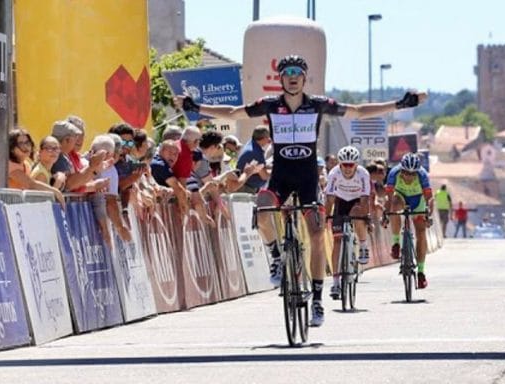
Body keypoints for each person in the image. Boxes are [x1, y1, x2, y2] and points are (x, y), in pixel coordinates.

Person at [174, 54, 426, 327]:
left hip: (307, 178)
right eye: (287, 72)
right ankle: (275, 256)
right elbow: (234, 113)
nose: (292, 76)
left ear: (304, 77)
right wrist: (196, 106)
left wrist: (400, 104)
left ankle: (317, 300)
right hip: (281, 176)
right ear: (281, 78)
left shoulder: (318, 105)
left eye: (297, 72)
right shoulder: (270, 105)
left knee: (318, 235)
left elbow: (357, 110)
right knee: (262, 210)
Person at [324, 146, 372, 300]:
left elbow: (365, 199)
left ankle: (363, 245)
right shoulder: (334, 173)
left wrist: (365, 218)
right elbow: (330, 198)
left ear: (356, 165)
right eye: (344, 164)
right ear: (339, 164)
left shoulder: (363, 174)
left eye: (351, 165)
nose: (347, 168)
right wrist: (326, 217)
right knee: (337, 241)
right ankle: (336, 282)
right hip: (340, 201)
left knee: (358, 215)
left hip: (357, 201)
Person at [383, 152, 433, 289]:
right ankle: (396, 243)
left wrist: (429, 215)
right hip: (401, 196)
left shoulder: (422, 175)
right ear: (402, 170)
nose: (409, 176)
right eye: (406, 173)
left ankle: (421, 272)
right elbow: (387, 197)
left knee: (421, 232)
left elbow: (429, 199)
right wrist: (385, 213)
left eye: (413, 174)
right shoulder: (394, 173)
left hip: (418, 200)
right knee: (394, 205)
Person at [8, 128, 65, 205]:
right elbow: (31, 184)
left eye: (27, 143)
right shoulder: (9, 165)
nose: (26, 147)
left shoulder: (27, 165)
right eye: (21, 143)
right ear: (12, 148)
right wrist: (55, 191)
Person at [236, 125, 271, 195]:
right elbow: (264, 176)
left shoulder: (251, 145)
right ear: (264, 138)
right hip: (247, 190)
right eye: (268, 138)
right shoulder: (255, 152)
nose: (269, 140)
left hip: (244, 187)